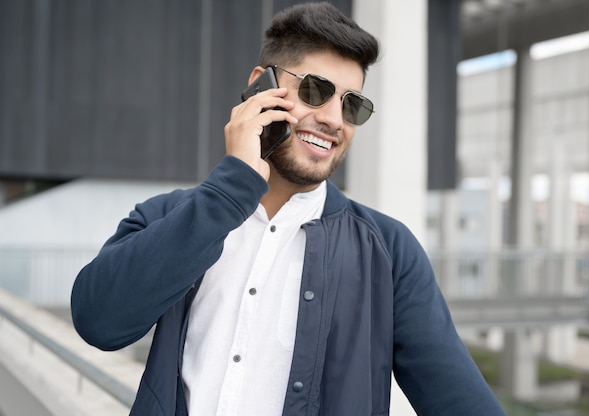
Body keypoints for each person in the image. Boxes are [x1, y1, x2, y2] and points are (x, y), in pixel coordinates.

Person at [71, 2, 505, 415]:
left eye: (352, 105)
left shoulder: (389, 253)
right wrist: (230, 189)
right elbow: (99, 322)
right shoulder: (169, 216)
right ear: (262, 84)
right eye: (316, 91)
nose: (335, 120)